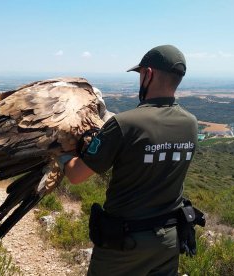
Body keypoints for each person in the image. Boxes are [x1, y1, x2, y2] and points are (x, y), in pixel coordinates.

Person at [63, 45, 198, 276]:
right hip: (168, 240)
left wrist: (61, 153)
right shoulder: (191, 123)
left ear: (149, 74)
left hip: (124, 244)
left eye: (140, 74)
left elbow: (76, 176)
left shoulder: (124, 124)